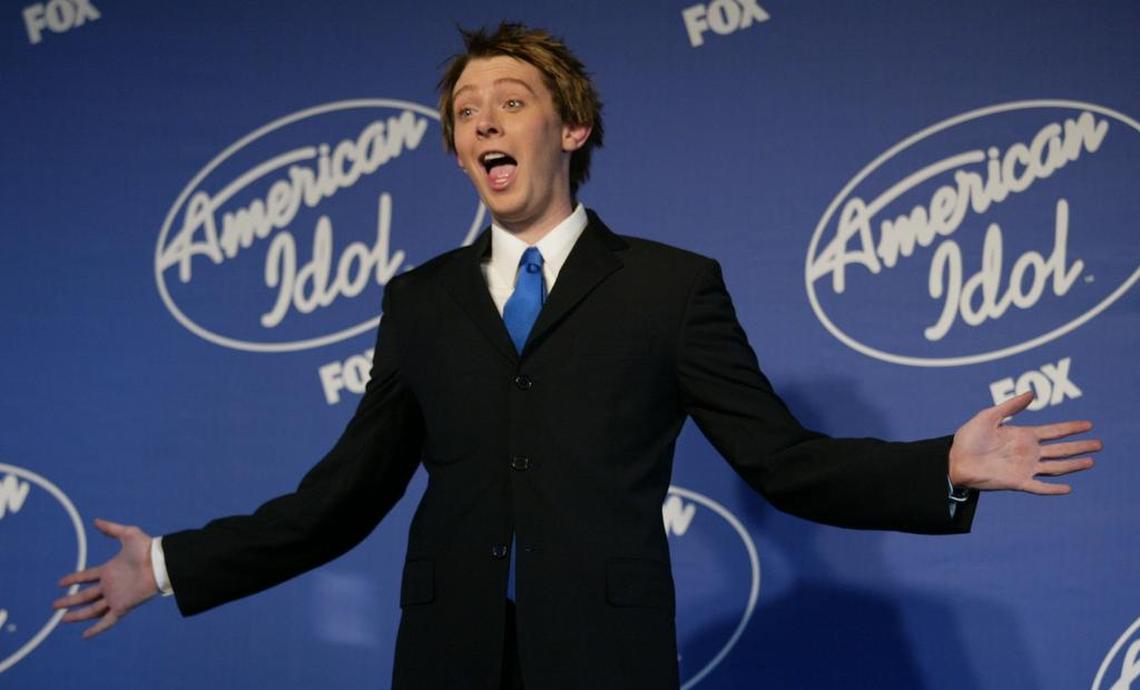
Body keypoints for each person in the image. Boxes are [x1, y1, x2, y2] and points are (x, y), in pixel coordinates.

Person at [54, 22, 1100, 689]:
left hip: (604, 660)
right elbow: (343, 494)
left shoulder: (669, 287)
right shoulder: (417, 302)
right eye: (465, 113)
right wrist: (165, 564)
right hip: (447, 659)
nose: (482, 122)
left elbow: (781, 459)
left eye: (509, 101)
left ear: (574, 129)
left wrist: (942, 466)